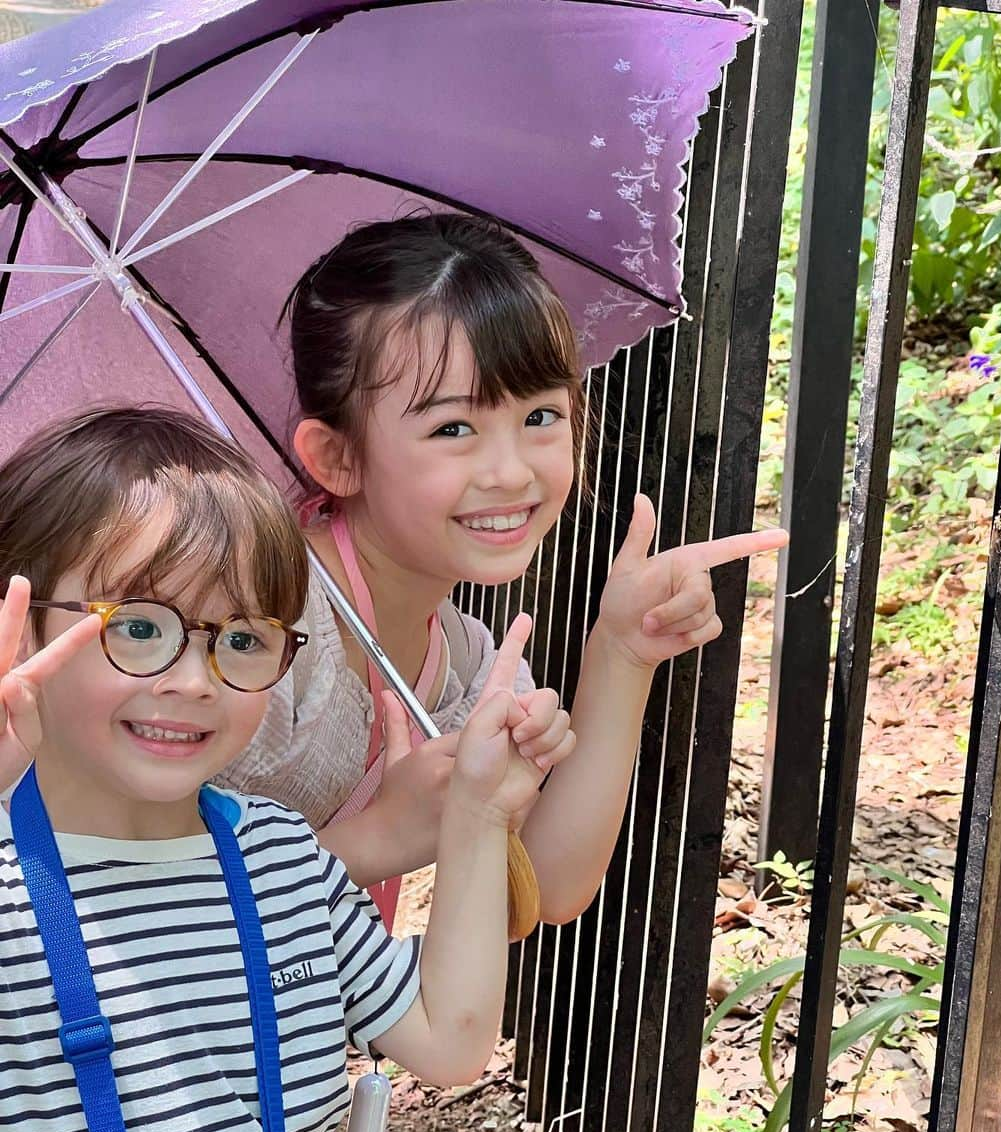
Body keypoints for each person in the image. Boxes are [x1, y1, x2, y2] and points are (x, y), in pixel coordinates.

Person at [0, 406, 574, 1132]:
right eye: (138, 628)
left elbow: (448, 1041)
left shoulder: (277, 854)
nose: (193, 678)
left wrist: (476, 814)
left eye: (240, 639)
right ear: (20, 629)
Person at [218, 213, 788, 926]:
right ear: (338, 457)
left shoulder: (463, 665)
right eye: (453, 428)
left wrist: (623, 652)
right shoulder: (255, 630)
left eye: (542, 416)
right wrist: (374, 840)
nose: (510, 470)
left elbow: (545, 887)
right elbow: (126, 899)